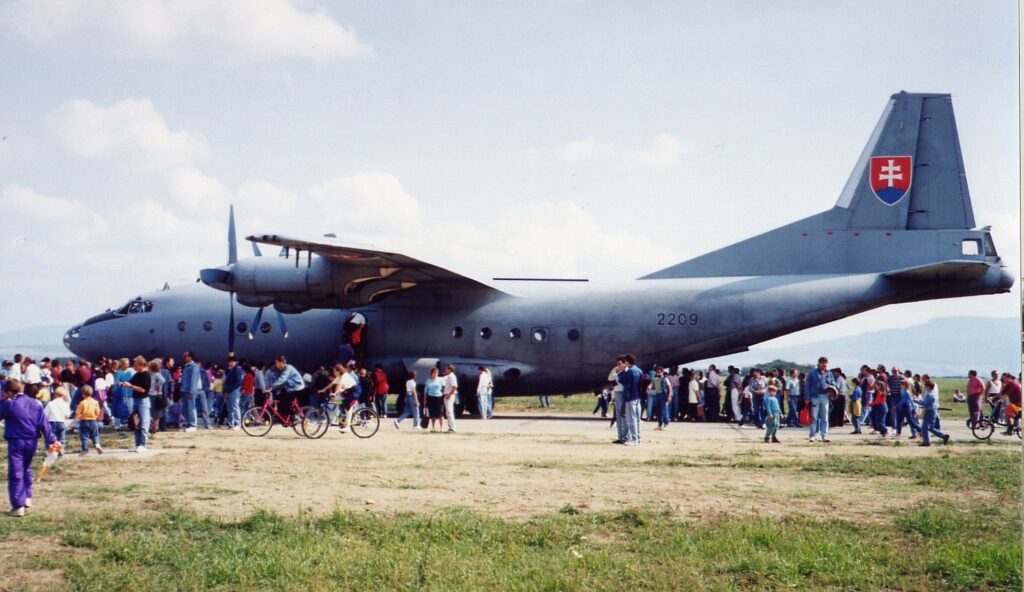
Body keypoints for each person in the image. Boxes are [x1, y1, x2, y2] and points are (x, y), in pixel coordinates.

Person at [1, 380, 61, 517]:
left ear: (9, 392)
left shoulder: (9, 403)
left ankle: (18, 505)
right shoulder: (35, 403)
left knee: (16, 471)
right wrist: (52, 440)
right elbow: (44, 423)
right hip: (32, 440)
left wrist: (3, 401)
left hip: (16, 440)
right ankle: (27, 497)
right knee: (26, 468)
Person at [121, 357, 152, 452]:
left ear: (141, 365)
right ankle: (137, 444)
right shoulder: (137, 374)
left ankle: (143, 444)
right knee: (135, 422)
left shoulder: (146, 375)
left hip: (143, 401)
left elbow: (143, 389)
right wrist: (122, 383)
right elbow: (130, 382)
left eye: (136, 364)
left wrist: (131, 386)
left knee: (144, 422)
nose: (134, 366)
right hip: (136, 400)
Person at [805, 357, 836, 443]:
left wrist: (832, 388)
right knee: (814, 417)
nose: (824, 365)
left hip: (825, 397)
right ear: (818, 363)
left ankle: (824, 436)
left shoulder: (829, 373)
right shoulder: (812, 373)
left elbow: (833, 383)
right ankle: (812, 436)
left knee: (825, 418)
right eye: (822, 363)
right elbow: (807, 386)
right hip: (815, 397)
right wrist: (807, 398)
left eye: (825, 363)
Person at [617, 354, 643, 445]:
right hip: (637, 397)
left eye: (624, 362)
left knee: (631, 419)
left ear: (627, 361)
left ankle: (634, 439)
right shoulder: (639, 370)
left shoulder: (629, 371)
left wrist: (621, 371)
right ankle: (638, 438)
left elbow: (621, 380)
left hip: (630, 397)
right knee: (637, 419)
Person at [915, 380, 949, 446]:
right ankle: (944, 436)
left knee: (925, 427)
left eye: (926, 386)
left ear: (928, 387)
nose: (925, 388)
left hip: (930, 412)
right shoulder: (933, 394)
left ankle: (927, 442)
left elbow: (924, 403)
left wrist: (916, 401)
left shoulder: (930, 395)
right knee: (931, 428)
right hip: (932, 412)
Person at [269, 357, 305, 421]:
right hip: (289, 388)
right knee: (279, 399)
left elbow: (282, 379)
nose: (275, 364)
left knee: (284, 401)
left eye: (276, 363)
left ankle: (294, 416)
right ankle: (285, 418)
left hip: (297, 388)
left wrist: (272, 387)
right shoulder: (280, 369)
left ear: (281, 362)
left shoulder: (288, 368)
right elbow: (278, 380)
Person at [74, 385, 104, 454]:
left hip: (84, 421)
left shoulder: (82, 403)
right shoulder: (95, 402)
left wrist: (74, 421)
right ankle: (97, 444)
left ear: (83, 394)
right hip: (93, 421)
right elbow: (97, 412)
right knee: (95, 435)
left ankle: (85, 450)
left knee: (84, 436)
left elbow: (77, 413)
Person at [44, 386, 72, 453]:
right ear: (64, 395)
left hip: (52, 422)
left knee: (51, 438)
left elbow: (45, 415)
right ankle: (60, 452)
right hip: (62, 422)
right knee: (61, 438)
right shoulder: (65, 404)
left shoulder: (51, 403)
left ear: (55, 394)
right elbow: (67, 416)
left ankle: (51, 451)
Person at [223, 357, 244, 430]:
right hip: (229, 390)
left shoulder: (237, 370)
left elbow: (239, 382)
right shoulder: (229, 370)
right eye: (229, 362)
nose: (230, 363)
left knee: (235, 407)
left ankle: (237, 423)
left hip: (234, 390)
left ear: (235, 362)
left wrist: (230, 388)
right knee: (229, 408)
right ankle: (230, 424)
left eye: (232, 362)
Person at [649, 366, 672, 430]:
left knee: (664, 410)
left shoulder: (665, 379)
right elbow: (651, 385)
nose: (658, 373)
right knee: (658, 411)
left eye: (659, 372)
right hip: (657, 395)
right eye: (657, 372)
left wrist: (669, 396)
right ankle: (660, 424)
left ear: (662, 372)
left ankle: (666, 424)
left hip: (663, 395)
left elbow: (669, 388)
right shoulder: (655, 379)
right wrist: (649, 387)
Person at [424, 367, 445, 432]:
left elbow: (444, 388)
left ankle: (441, 428)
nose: (436, 374)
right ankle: (433, 427)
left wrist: (442, 393)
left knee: (440, 413)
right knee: (432, 414)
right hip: (431, 398)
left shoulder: (441, 379)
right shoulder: (428, 380)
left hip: (439, 397)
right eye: (434, 373)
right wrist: (425, 399)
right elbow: (425, 391)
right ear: (431, 373)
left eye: (437, 373)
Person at [442, 365, 458, 433]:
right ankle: (450, 427)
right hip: (448, 395)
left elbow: (454, 386)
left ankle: (452, 427)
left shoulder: (451, 376)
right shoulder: (449, 376)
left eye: (446, 369)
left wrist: (449, 394)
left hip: (449, 395)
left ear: (450, 369)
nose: (445, 370)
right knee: (448, 411)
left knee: (449, 411)